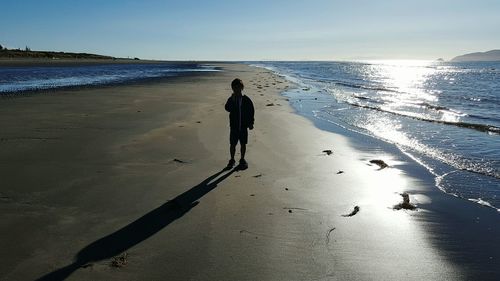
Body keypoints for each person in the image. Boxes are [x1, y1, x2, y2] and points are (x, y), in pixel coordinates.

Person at [225, 78, 254, 169]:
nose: (236, 90)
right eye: (234, 88)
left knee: (243, 143)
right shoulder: (231, 99)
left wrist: (251, 123)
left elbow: (251, 112)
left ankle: (242, 159)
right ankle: (232, 159)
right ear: (232, 88)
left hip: (243, 126)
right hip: (234, 126)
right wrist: (232, 100)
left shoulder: (246, 100)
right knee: (232, 144)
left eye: (238, 87)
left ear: (242, 88)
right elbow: (227, 108)